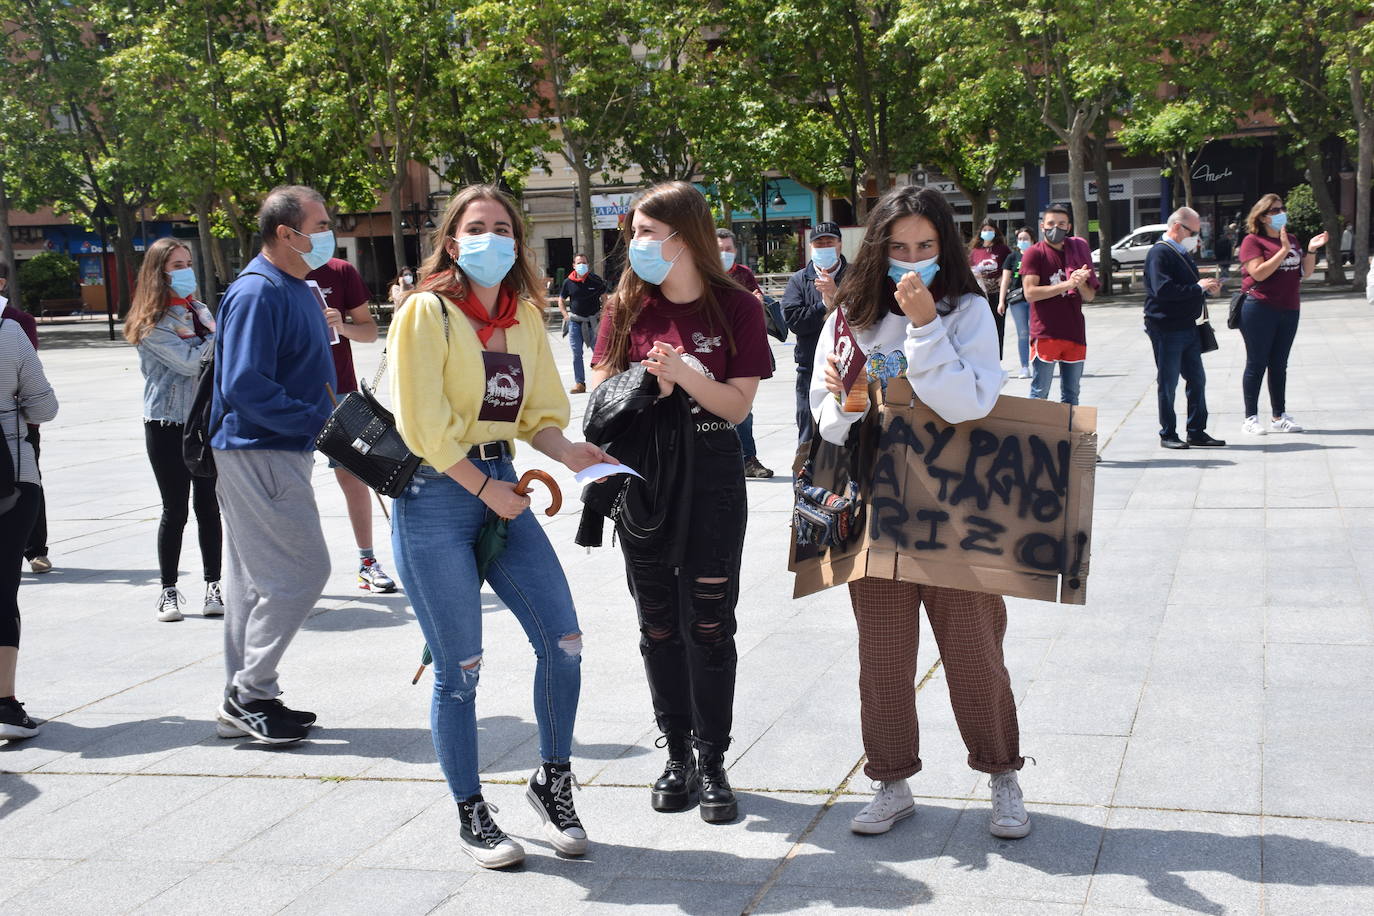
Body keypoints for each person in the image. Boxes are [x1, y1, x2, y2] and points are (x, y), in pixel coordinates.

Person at [389, 184, 611, 869]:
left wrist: (571, 453)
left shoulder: (523, 316)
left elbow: (538, 412)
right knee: (460, 670)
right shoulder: (427, 312)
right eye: (476, 227)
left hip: (502, 487)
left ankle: (553, 781)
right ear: (453, 242)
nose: (492, 237)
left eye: (503, 227)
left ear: (517, 241)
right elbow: (422, 425)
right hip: (436, 494)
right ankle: (471, 810)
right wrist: (486, 489)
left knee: (565, 641)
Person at [811, 185, 1030, 840]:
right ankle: (890, 779)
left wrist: (926, 327)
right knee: (882, 655)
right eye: (899, 247)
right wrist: (851, 395)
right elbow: (834, 416)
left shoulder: (965, 312)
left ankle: (1002, 774)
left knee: (974, 649)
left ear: (945, 248)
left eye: (925, 247)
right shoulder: (850, 315)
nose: (911, 259)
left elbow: (967, 402)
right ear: (877, 250)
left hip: (958, 509)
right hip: (875, 509)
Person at [591, 181, 772, 824]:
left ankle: (713, 755)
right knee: (658, 620)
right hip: (645, 476)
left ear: (683, 236)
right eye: (632, 233)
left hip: (714, 473)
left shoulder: (737, 307)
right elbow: (599, 392)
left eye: (645, 232)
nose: (635, 245)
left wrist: (690, 376)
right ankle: (676, 754)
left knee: (710, 618)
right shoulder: (624, 306)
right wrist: (648, 383)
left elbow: (738, 404)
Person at [211, 185, 336, 745]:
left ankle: (245, 699)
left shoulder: (298, 288)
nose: (329, 234)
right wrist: (314, 422)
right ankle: (251, 690)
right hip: (259, 447)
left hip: (276, 446)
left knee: (251, 585)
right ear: (287, 233)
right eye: (321, 224)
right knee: (302, 574)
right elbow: (242, 383)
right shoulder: (258, 292)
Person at [123, 238, 224, 621]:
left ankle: (213, 586)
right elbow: (191, 363)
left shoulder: (201, 311)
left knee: (209, 506)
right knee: (175, 509)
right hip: (167, 423)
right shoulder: (150, 322)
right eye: (175, 266)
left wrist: (219, 340)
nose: (185, 272)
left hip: (205, 421)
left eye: (187, 263)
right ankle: (168, 590)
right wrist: (223, 340)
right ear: (157, 273)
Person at [307, 256, 396, 593]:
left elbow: (370, 331)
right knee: (293, 484)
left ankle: (367, 561)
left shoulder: (340, 271)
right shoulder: (273, 274)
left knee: (355, 476)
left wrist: (341, 327)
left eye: (326, 225)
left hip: (339, 390)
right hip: (291, 394)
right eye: (317, 226)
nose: (323, 233)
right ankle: (299, 570)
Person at [0, 301, 58, 739]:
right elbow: (45, 408)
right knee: (3, 589)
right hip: (12, 477)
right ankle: (4, 703)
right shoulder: (9, 333)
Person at [1236, 193, 1327, 435]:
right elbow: (1258, 274)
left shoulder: (1294, 239)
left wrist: (1310, 250)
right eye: (1275, 210)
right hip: (1259, 308)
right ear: (1263, 216)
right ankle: (1250, 418)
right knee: (1257, 362)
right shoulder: (1252, 241)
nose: (1281, 213)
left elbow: (1304, 273)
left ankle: (1279, 416)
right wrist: (1283, 250)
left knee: (1279, 364)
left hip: (1289, 308)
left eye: (1282, 208)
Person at [1142, 208, 1226, 450]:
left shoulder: (1180, 252)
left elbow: (1187, 286)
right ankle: (1168, 433)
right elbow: (1162, 290)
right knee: (1168, 383)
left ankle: (1196, 431)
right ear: (1177, 226)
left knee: (1197, 379)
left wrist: (1205, 288)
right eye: (1193, 232)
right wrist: (1197, 288)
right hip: (1166, 326)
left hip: (1188, 325)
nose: (1196, 237)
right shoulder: (1160, 252)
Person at [0, 264, 51, 575]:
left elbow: (29, 371)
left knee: (28, 483)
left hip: (19, 425)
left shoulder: (18, 322)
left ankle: (36, 549)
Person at [1022, 204, 1099, 404]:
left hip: (1074, 332)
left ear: (1069, 227)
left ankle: (1068, 435)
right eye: (1051, 223)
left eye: (1061, 224)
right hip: (1046, 333)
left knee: (1072, 395)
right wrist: (1068, 283)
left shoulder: (1077, 252)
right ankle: (1036, 435)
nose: (1056, 228)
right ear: (1042, 226)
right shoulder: (1034, 253)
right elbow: (1030, 293)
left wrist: (1080, 283)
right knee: (1040, 394)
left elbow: (1089, 296)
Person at [716, 228, 775, 478]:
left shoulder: (744, 274)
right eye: (719, 249)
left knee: (744, 407)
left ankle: (747, 458)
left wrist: (757, 302)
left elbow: (756, 301)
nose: (724, 254)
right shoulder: (701, 275)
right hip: (712, 348)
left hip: (740, 349)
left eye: (728, 249)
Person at [783, 222, 847, 443]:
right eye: (819, 243)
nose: (824, 247)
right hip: (809, 369)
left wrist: (837, 297)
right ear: (811, 247)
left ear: (840, 245)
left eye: (830, 242)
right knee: (808, 432)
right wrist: (823, 304)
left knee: (851, 433)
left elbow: (866, 317)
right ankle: (804, 477)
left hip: (851, 371)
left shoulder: (857, 276)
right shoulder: (799, 280)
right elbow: (794, 321)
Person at [556, 252, 607, 394]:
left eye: (584, 263)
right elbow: (561, 300)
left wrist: (604, 315)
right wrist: (565, 315)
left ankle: (601, 381)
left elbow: (605, 298)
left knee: (598, 352)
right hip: (576, 323)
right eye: (579, 263)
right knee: (576, 353)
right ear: (573, 265)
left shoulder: (596, 280)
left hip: (593, 322)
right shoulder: (568, 282)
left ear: (588, 265)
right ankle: (580, 383)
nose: (581, 265)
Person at [969, 220, 1011, 355]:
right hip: (981, 295)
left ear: (995, 232)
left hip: (998, 294)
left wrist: (1004, 278)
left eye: (990, 230)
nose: (987, 232)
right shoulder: (975, 251)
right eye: (985, 230)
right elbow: (970, 269)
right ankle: (983, 355)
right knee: (982, 327)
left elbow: (1011, 265)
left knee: (998, 327)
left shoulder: (1003, 249)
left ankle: (997, 356)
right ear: (980, 232)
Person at [998, 228, 1034, 378]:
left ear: (1032, 240)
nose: (1022, 242)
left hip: (1034, 298)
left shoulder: (1037, 255)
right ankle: (1024, 366)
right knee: (1023, 333)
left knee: (1036, 333)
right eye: (1020, 239)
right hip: (1017, 300)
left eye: (1026, 239)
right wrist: (1001, 301)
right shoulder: (1012, 257)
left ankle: (1039, 363)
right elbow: (1005, 280)